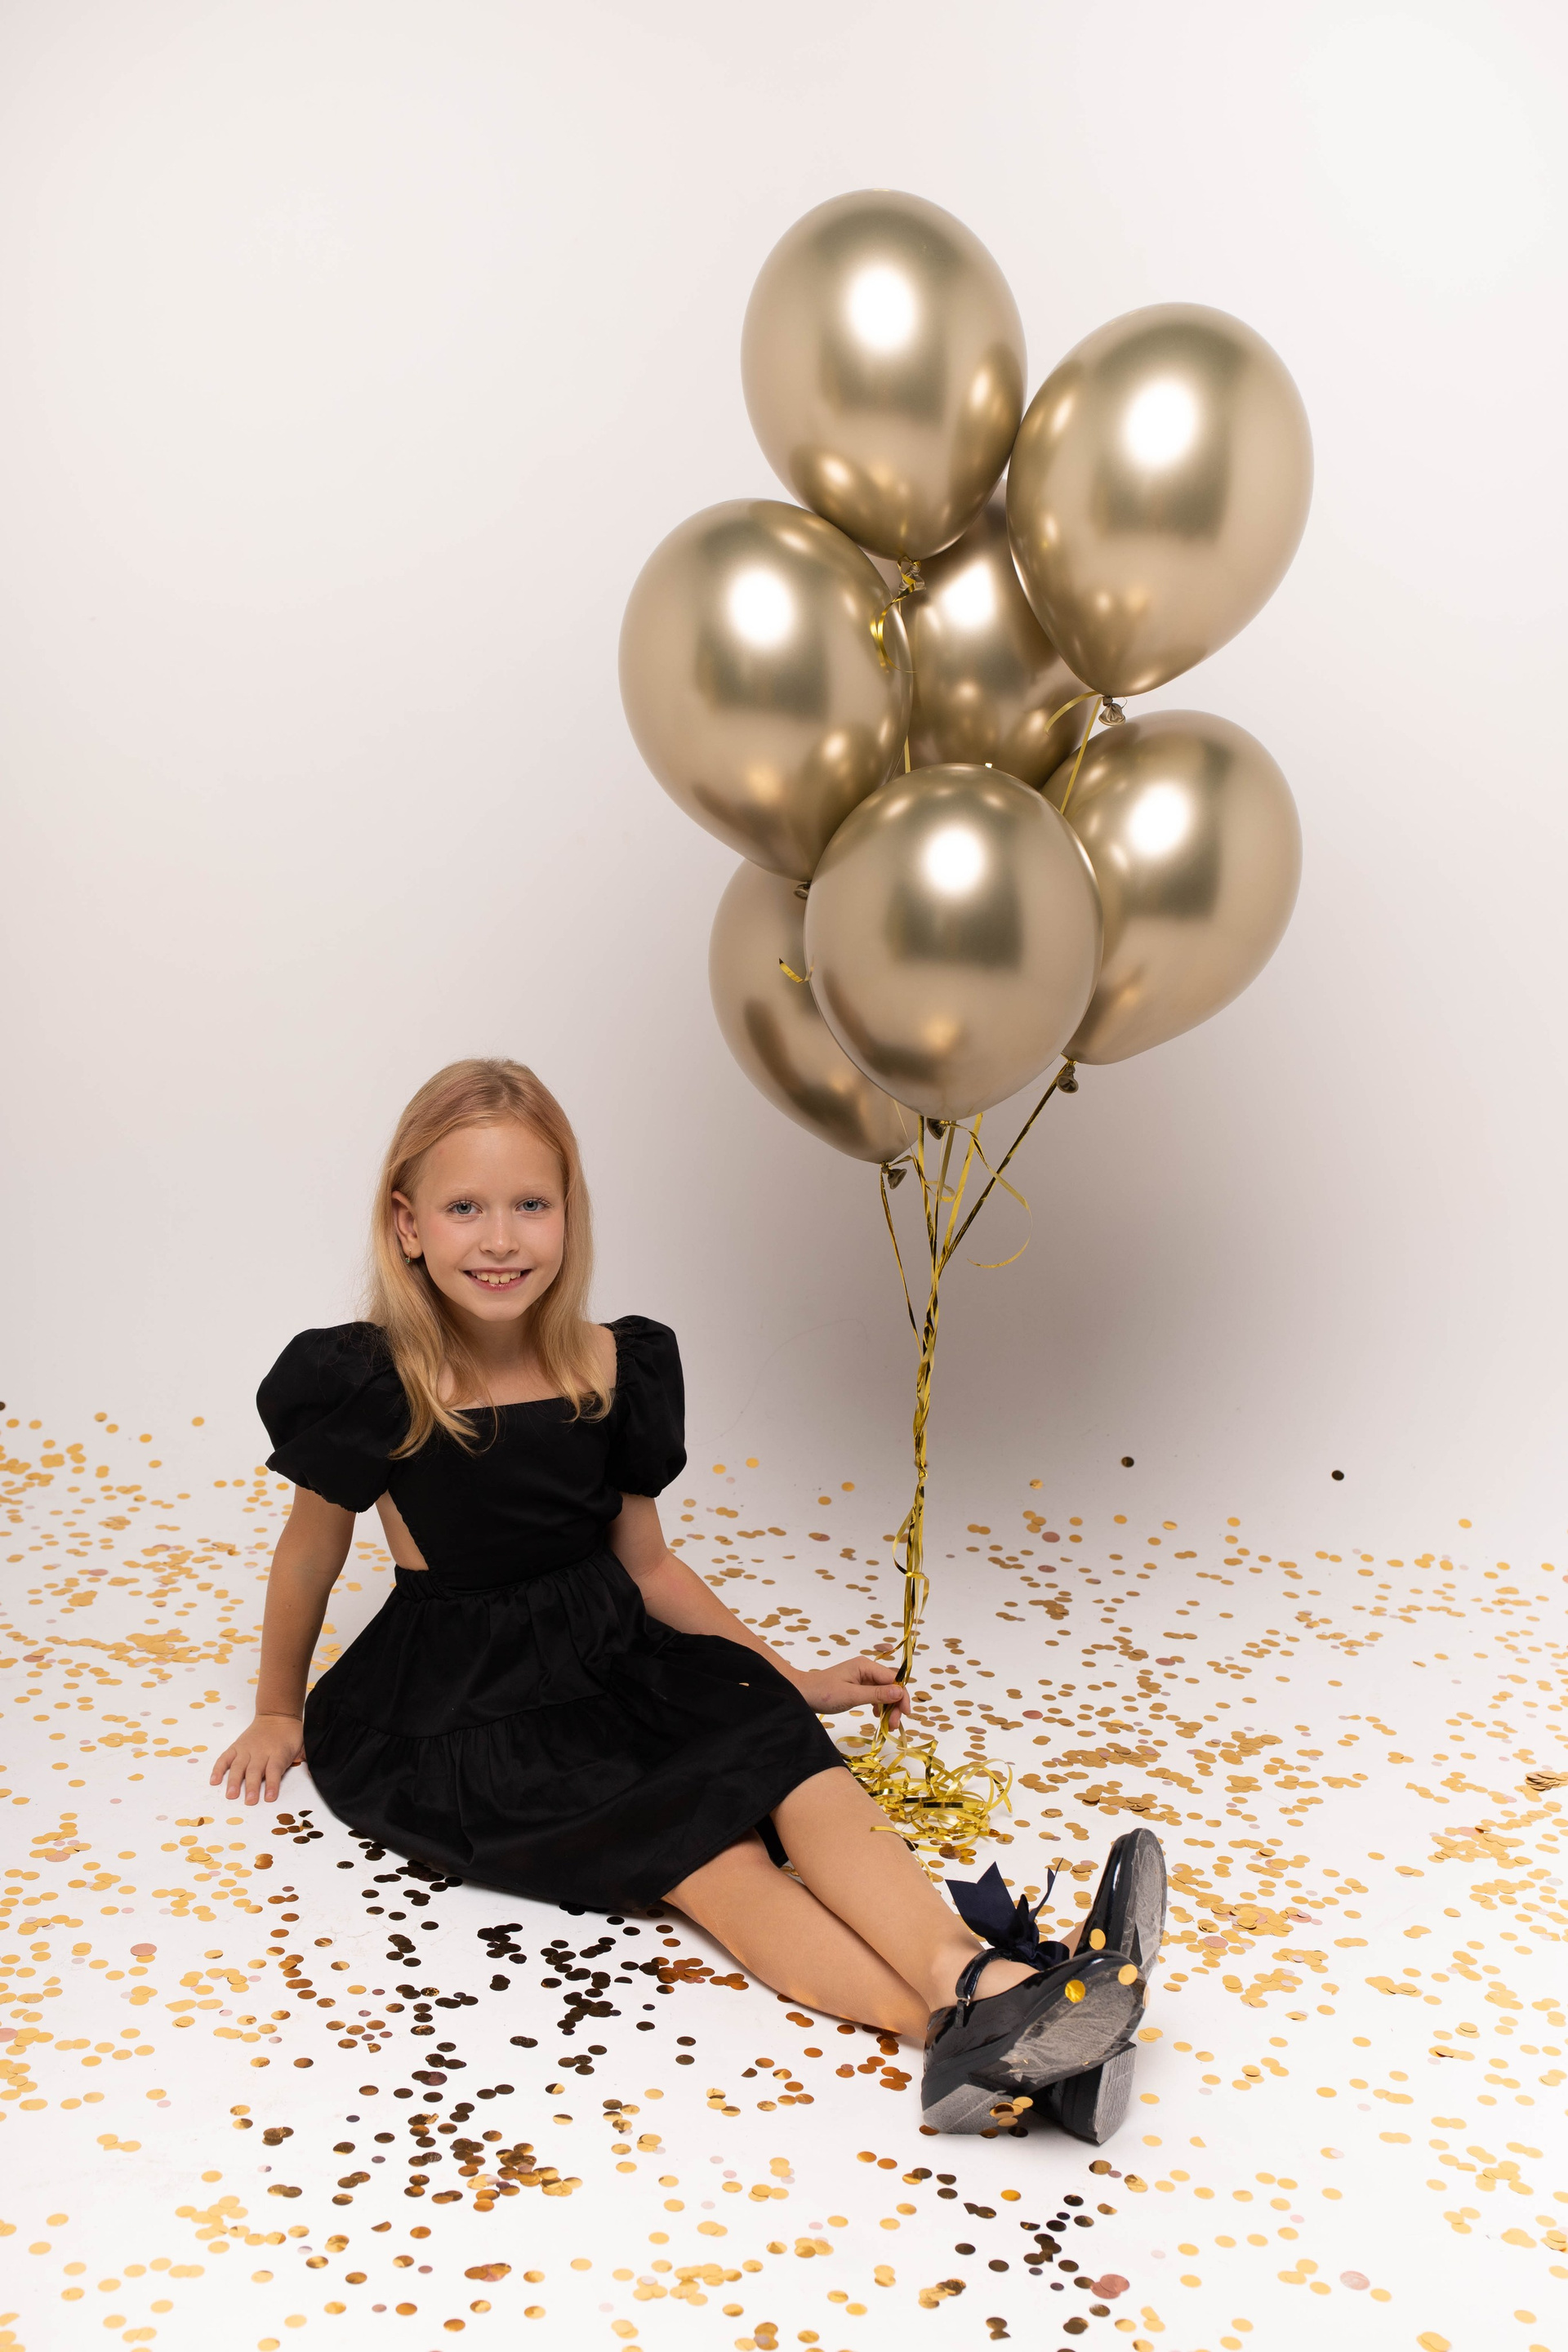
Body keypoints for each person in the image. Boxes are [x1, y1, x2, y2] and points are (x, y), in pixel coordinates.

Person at [212, 1057, 1164, 2137]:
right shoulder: (372, 1380)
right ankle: (1000, 2030)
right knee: (715, 1857)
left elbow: (649, 1565)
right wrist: (278, 1709)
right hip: (474, 1702)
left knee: (783, 1754)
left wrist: (791, 1680)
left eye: (531, 1206)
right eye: (465, 1208)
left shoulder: (612, 1363)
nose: (500, 1239)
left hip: (613, 1654)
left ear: (569, 1215)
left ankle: (978, 1981)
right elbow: (310, 1552)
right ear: (408, 1225)